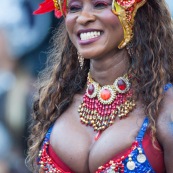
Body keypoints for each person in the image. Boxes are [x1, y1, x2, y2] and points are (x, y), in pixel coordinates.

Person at [27, 0, 173, 172]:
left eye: (100, 4)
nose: (83, 18)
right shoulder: (55, 105)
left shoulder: (165, 108)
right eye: (74, 8)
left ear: (132, 12)